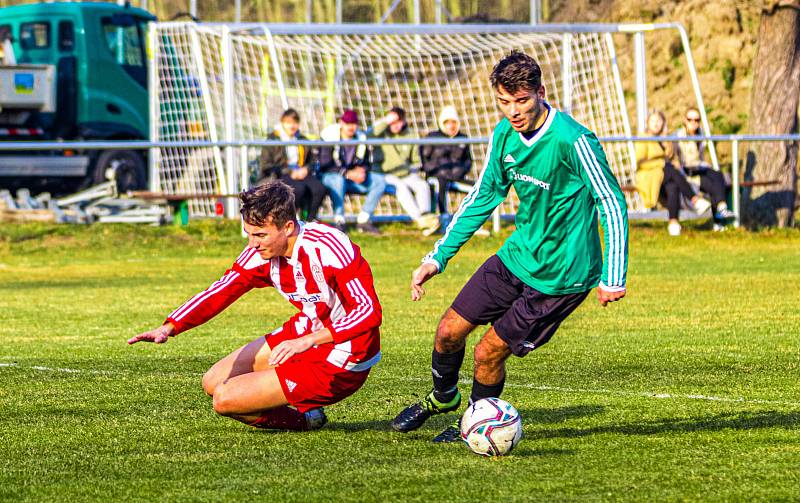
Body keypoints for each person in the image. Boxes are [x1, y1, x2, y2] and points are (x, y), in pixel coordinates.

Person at [391, 50, 629, 442]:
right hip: (517, 255)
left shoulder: (574, 139)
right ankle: (444, 397)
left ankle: (474, 421)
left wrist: (613, 275)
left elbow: (611, 201)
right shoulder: (504, 133)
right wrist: (437, 258)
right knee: (448, 331)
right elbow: (484, 195)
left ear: (540, 92)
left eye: (521, 100)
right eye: (504, 101)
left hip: (560, 277)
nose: (513, 111)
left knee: (487, 352)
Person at [128, 181, 382, 432]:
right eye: (249, 234)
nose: (252, 244)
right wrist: (170, 326)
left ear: (288, 227)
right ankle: (307, 409)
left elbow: (368, 311)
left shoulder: (328, 246)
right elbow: (222, 289)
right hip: (306, 332)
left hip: (346, 353)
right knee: (212, 382)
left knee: (224, 399)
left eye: (261, 235)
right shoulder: (259, 254)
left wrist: (310, 340)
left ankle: (306, 419)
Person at [635, 110, 710, 236]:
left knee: (672, 185)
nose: (656, 124)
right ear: (648, 122)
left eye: (659, 121)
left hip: (667, 176)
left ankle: (673, 223)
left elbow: (673, 159)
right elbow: (640, 162)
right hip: (650, 176)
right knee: (669, 169)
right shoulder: (643, 138)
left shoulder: (666, 139)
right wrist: (661, 164)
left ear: (663, 123)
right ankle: (694, 199)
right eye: (653, 121)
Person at [369, 107, 440, 236]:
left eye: (398, 121)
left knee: (422, 186)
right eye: (393, 122)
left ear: (403, 121)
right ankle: (420, 220)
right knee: (401, 188)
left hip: (406, 174)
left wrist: (413, 169)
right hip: (385, 174)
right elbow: (368, 135)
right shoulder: (381, 132)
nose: (395, 125)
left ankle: (426, 217)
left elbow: (416, 160)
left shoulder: (410, 135)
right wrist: (386, 120)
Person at [318, 109, 387, 235]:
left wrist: (362, 171)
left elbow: (366, 162)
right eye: (347, 123)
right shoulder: (329, 137)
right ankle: (339, 220)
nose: (351, 127)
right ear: (341, 123)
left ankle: (363, 220)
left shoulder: (361, 138)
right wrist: (347, 173)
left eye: (354, 123)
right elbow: (325, 165)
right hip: (331, 178)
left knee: (379, 180)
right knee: (338, 180)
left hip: (352, 180)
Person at [259, 108, 326, 222]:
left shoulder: (302, 139)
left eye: (295, 122)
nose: (292, 126)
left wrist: (306, 169)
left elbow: (313, 161)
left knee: (319, 188)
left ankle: (309, 221)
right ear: (282, 122)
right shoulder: (272, 139)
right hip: (279, 174)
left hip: (301, 173)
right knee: (297, 189)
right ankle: (288, 220)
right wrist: (290, 171)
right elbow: (266, 165)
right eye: (288, 122)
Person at [673, 107, 734, 229]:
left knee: (718, 177)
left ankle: (721, 211)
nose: (693, 123)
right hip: (686, 172)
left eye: (697, 120)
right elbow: (674, 158)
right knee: (714, 181)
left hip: (699, 169)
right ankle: (720, 216)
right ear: (685, 120)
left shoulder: (701, 134)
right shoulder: (678, 136)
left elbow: (700, 157)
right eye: (690, 119)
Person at [420, 105, 472, 218]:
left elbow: (468, 162)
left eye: (453, 122)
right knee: (440, 184)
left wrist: (458, 172)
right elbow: (424, 162)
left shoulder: (463, 138)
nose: (451, 126)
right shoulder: (432, 137)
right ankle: (443, 218)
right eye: (447, 122)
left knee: (478, 189)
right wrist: (441, 171)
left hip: (456, 177)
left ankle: (472, 221)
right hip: (437, 177)